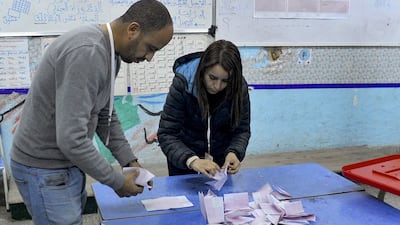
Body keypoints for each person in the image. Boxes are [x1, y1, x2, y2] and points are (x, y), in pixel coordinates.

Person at [9, 0, 173, 224]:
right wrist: (116, 181)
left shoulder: (110, 53)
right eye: (151, 48)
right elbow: (71, 139)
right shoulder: (88, 52)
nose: (149, 57)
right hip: (45, 169)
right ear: (133, 30)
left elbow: (106, 116)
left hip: (64, 166)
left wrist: (129, 161)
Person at [158, 40, 251, 178]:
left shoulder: (238, 87)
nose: (217, 86)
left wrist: (234, 152)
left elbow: (242, 130)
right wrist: (192, 161)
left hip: (220, 166)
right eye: (212, 78)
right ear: (203, 70)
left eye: (225, 81)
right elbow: (167, 134)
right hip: (184, 164)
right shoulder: (183, 84)